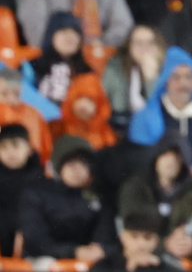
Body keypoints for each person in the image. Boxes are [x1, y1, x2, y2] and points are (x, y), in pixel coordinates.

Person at [127, 47, 192, 175]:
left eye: (189, 77)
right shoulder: (144, 117)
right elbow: (139, 156)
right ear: (165, 82)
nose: (183, 83)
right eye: (176, 77)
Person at [20, 136, 116, 260]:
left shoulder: (99, 194)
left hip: (90, 258)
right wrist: (73, 252)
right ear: (59, 168)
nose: (78, 171)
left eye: (84, 164)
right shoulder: (35, 193)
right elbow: (35, 239)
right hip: (45, 259)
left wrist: (98, 247)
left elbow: (106, 230)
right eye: (71, 165)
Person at [118, 136, 192, 260]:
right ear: (155, 160)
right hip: (145, 252)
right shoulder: (135, 187)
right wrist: (164, 244)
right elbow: (131, 225)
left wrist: (190, 235)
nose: (171, 162)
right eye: (165, 156)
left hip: (185, 251)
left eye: (177, 158)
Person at [101, 25, 166, 131]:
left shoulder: (168, 69)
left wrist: (151, 79)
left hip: (157, 128)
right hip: (119, 127)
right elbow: (107, 101)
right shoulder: (115, 68)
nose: (144, 48)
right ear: (129, 46)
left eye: (150, 43)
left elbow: (163, 110)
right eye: (138, 43)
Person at [0, 124, 44, 258]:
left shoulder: (41, 177)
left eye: (16, 146)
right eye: (3, 147)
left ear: (30, 149)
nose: (10, 153)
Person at [90, 212, 183, 272]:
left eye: (148, 237)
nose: (141, 243)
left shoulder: (165, 263)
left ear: (156, 241)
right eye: (134, 236)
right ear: (122, 237)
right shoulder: (106, 264)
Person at [0, 69, 55, 164]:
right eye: (4, 94)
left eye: (16, 94)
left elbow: (45, 150)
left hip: (29, 170)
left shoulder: (33, 114)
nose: (11, 99)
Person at [52, 73, 116, 150]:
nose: (84, 106)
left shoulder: (105, 134)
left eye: (90, 100)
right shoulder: (57, 128)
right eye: (80, 98)